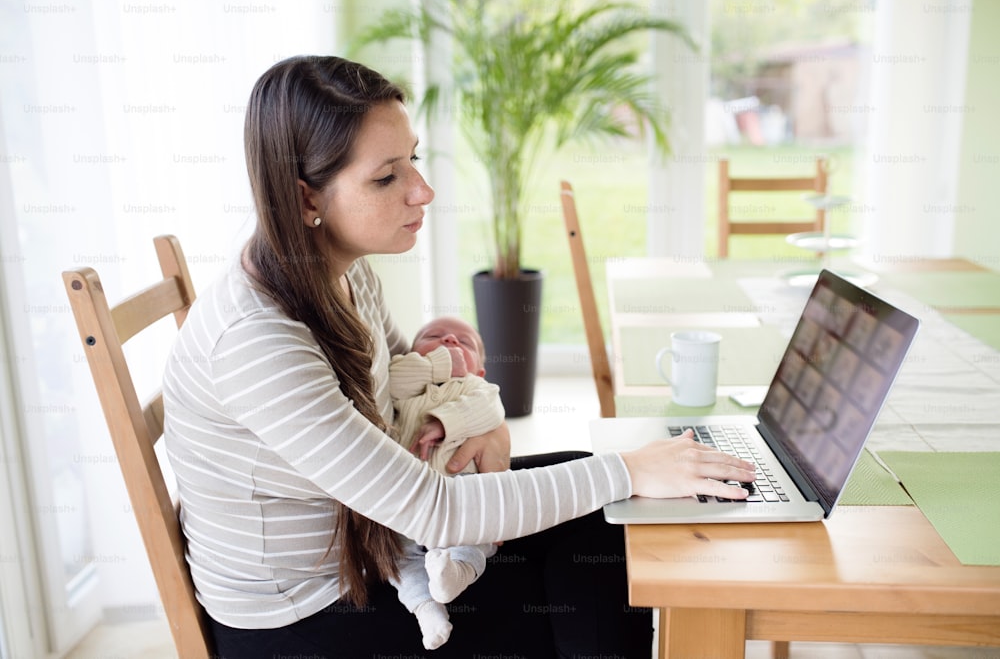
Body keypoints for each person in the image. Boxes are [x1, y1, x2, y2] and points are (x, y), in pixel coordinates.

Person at [162, 55, 755, 658]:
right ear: (305, 195)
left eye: (412, 159)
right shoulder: (257, 340)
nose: (423, 190)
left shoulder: (340, 271)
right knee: (600, 523)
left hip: (374, 553)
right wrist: (633, 466)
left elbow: (415, 393)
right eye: (386, 177)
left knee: (595, 512)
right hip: (306, 621)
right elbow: (435, 510)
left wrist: (492, 433)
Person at [387, 316, 504, 650]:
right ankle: (427, 610)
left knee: (478, 541)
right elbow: (392, 380)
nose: (450, 339)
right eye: (433, 336)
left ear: (479, 370)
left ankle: (453, 577)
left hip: (461, 501)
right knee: (398, 559)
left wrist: (443, 422)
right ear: (413, 352)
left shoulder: (476, 388)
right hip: (407, 503)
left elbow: (490, 409)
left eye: (464, 343)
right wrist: (437, 364)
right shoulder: (406, 377)